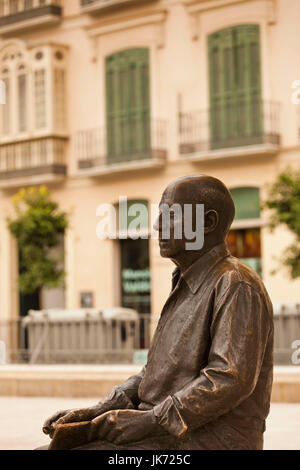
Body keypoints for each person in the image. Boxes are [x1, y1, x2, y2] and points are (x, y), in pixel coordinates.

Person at [40, 175, 273, 450]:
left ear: (207, 223)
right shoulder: (186, 282)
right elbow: (155, 373)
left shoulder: (236, 283)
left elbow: (228, 379)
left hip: (210, 440)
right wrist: (99, 409)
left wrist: (149, 421)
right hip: (168, 432)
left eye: (170, 215)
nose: (156, 226)